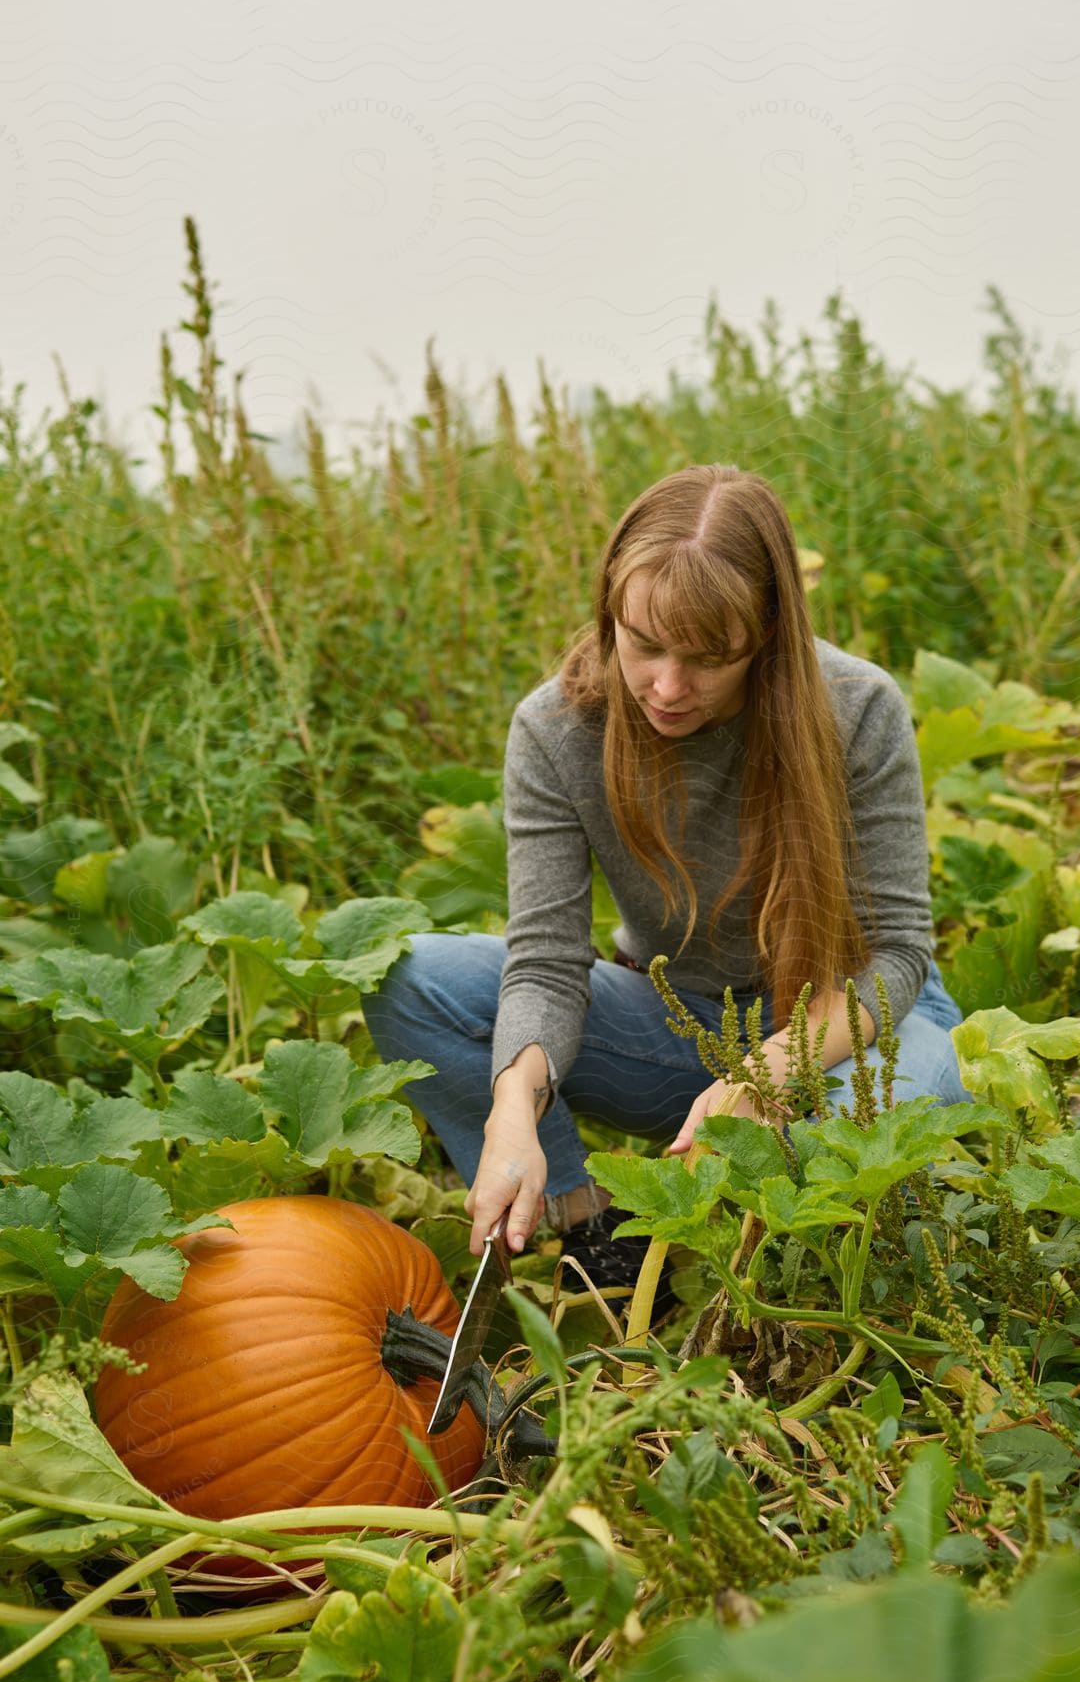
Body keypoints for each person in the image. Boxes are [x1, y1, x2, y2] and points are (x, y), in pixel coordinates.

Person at [362, 464, 971, 1313]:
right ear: (610, 609)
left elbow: (899, 956)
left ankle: (774, 1275)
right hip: (676, 1030)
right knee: (412, 980)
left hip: (852, 1034)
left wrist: (772, 1073)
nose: (668, 687)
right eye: (643, 644)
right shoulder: (556, 728)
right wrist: (512, 1111)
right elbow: (545, 965)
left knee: (903, 1105)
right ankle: (592, 1228)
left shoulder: (857, 708)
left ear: (768, 637)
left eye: (709, 657)